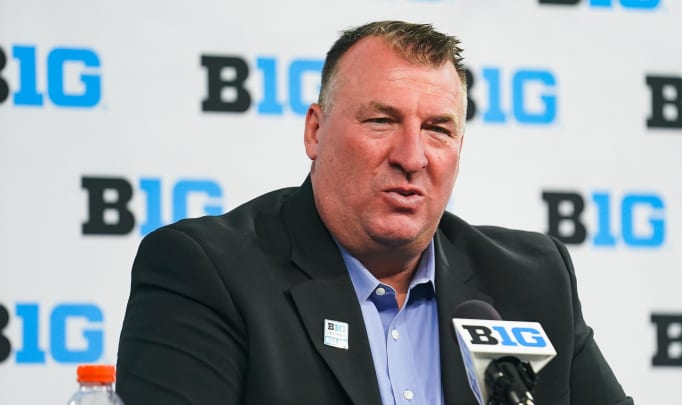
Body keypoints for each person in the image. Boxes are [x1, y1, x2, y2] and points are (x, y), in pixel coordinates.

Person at [116, 20, 633, 404]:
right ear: (315, 131)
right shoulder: (207, 273)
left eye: (438, 129)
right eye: (382, 121)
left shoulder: (533, 280)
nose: (412, 157)